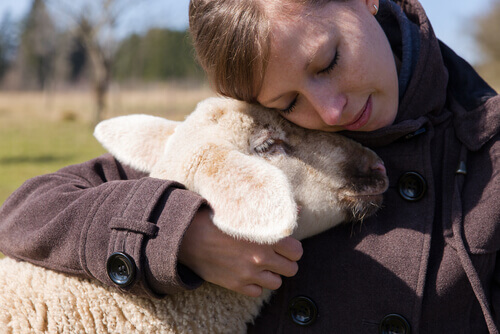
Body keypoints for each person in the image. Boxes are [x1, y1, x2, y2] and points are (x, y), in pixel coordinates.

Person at [0, 0, 499, 332]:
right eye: (287, 103)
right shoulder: (248, 136)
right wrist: (179, 235)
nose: (329, 112)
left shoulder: (489, 156)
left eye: (327, 62)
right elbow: (24, 214)